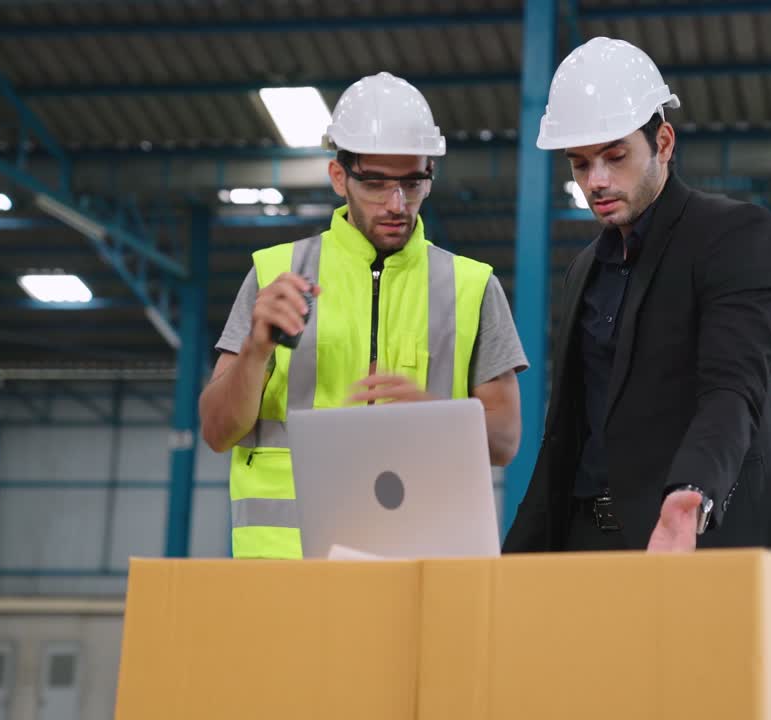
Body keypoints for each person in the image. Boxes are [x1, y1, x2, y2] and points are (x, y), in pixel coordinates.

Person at [201, 72, 528, 559]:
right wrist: (254, 351)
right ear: (340, 177)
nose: (397, 204)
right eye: (376, 183)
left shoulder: (472, 286)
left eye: (413, 182)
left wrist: (436, 419)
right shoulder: (275, 274)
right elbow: (216, 431)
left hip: (423, 564)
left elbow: (505, 441)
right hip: (286, 568)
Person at [502, 38, 771, 555]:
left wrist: (693, 492)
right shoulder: (582, 271)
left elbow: (732, 390)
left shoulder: (734, 236)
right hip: (587, 541)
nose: (596, 182)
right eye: (579, 164)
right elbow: (567, 433)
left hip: (690, 535)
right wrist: (517, 557)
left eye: (615, 157)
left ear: (663, 142)